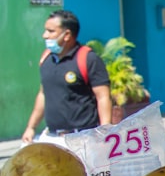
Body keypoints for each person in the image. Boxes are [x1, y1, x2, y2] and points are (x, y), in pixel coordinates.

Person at [22, 10, 112, 144]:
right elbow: (43, 94)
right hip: (51, 138)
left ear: (67, 35)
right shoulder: (46, 59)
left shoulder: (88, 59)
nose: (45, 35)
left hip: (81, 138)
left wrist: (105, 132)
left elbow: (103, 96)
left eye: (51, 31)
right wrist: (31, 127)